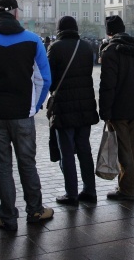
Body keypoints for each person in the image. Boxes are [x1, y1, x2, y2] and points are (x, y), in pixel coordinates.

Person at [0, 0, 53, 231]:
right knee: (27, 163)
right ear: (15, 13)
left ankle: (7, 216)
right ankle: (35, 209)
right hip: (22, 113)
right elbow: (43, 79)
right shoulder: (33, 40)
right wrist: (33, 106)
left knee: (2, 167)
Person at [46, 16, 99, 206]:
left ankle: (71, 193)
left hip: (64, 107)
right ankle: (90, 190)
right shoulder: (86, 46)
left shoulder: (55, 47)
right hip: (85, 106)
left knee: (66, 151)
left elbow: (50, 79)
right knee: (84, 149)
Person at [99, 15, 134, 201]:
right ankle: (126, 185)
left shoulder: (111, 51)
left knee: (123, 151)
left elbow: (107, 85)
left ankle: (127, 190)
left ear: (109, 31)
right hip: (133, 107)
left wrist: (105, 110)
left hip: (117, 109)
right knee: (130, 149)